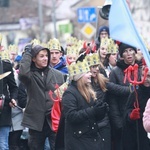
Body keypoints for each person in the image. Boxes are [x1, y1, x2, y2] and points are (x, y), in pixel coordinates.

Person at [18, 43, 64, 150]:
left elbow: (62, 96)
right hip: (36, 121)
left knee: (57, 147)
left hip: (53, 119)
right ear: (34, 59)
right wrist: (28, 53)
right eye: (41, 56)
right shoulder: (30, 75)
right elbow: (23, 73)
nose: (45, 59)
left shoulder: (57, 74)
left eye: (46, 56)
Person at [62, 60, 108, 150]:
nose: (90, 74)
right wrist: (93, 111)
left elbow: (94, 116)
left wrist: (102, 110)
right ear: (79, 76)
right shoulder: (69, 93)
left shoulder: (88, 91)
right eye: (87, 72)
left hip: (92, 138)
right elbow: (71, 116)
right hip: (78, 141)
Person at [108, 42, 138, 150]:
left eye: (130, 50)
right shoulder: (116, 72)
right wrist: (118, 122)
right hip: (123, 118)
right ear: (121, 55)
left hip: (139, 119)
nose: (129, 54)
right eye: (125, 51)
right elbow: (112, 100)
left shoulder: (141, 69)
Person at [122, 64, 150, 150]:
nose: (146, 79)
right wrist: (131, 115)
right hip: (138, 134)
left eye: (149, 76)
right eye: (143, 75)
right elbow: (126, 112)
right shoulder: (135, 93)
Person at [0, 48, 18, 150]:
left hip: (3, 110)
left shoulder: (5, 65)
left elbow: (13, 87)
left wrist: (13, 98)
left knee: (3, 144)